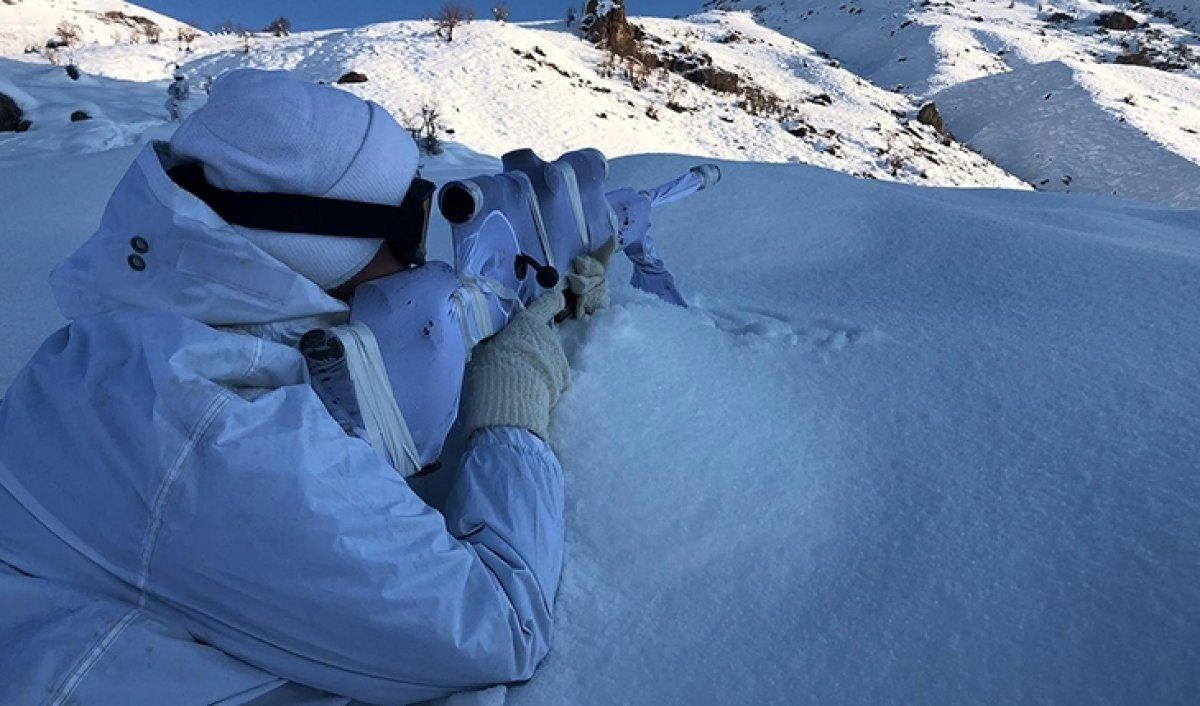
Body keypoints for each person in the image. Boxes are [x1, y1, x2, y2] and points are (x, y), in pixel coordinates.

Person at [0, 69, 603, 704]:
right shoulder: (219, 431)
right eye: (407, 232)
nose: (416, 263)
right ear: (314, 244)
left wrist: (509, 309)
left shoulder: (135, 348)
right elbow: (501, 627)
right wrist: (512, 405)